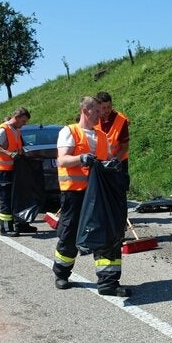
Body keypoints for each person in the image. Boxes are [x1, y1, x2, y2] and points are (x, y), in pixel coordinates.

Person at [54, 96, 131, 297]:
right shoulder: (69, 132)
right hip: (74, 193)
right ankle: (61, 273)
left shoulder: (102, 136)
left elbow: (107, 159)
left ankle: (108, 283)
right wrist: (81, 158)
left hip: (98, 194)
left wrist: (113, 165)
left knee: (105, 234)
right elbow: (62, 160)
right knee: (70, 234)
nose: (101, 115)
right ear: (86, 111)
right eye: (97, 111)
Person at [0, 108, 35, 236]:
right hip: (3, 171)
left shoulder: (16, 130)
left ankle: (20, 225)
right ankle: (5, 229)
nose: (24, 124)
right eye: (23, 121)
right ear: (17, 117)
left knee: (17, 198)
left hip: (14, 170)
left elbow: (19, 149)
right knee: (6, 200)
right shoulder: (3, 129)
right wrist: (9, 153)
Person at [95, 92, 130, 175]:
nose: (107, 110)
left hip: (119, 161)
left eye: (109, 107)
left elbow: (125, 147)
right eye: (103, 108)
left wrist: (114, 161)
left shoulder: (121, 120)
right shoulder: (93, 118)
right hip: (100, 163)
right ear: (98, 107)